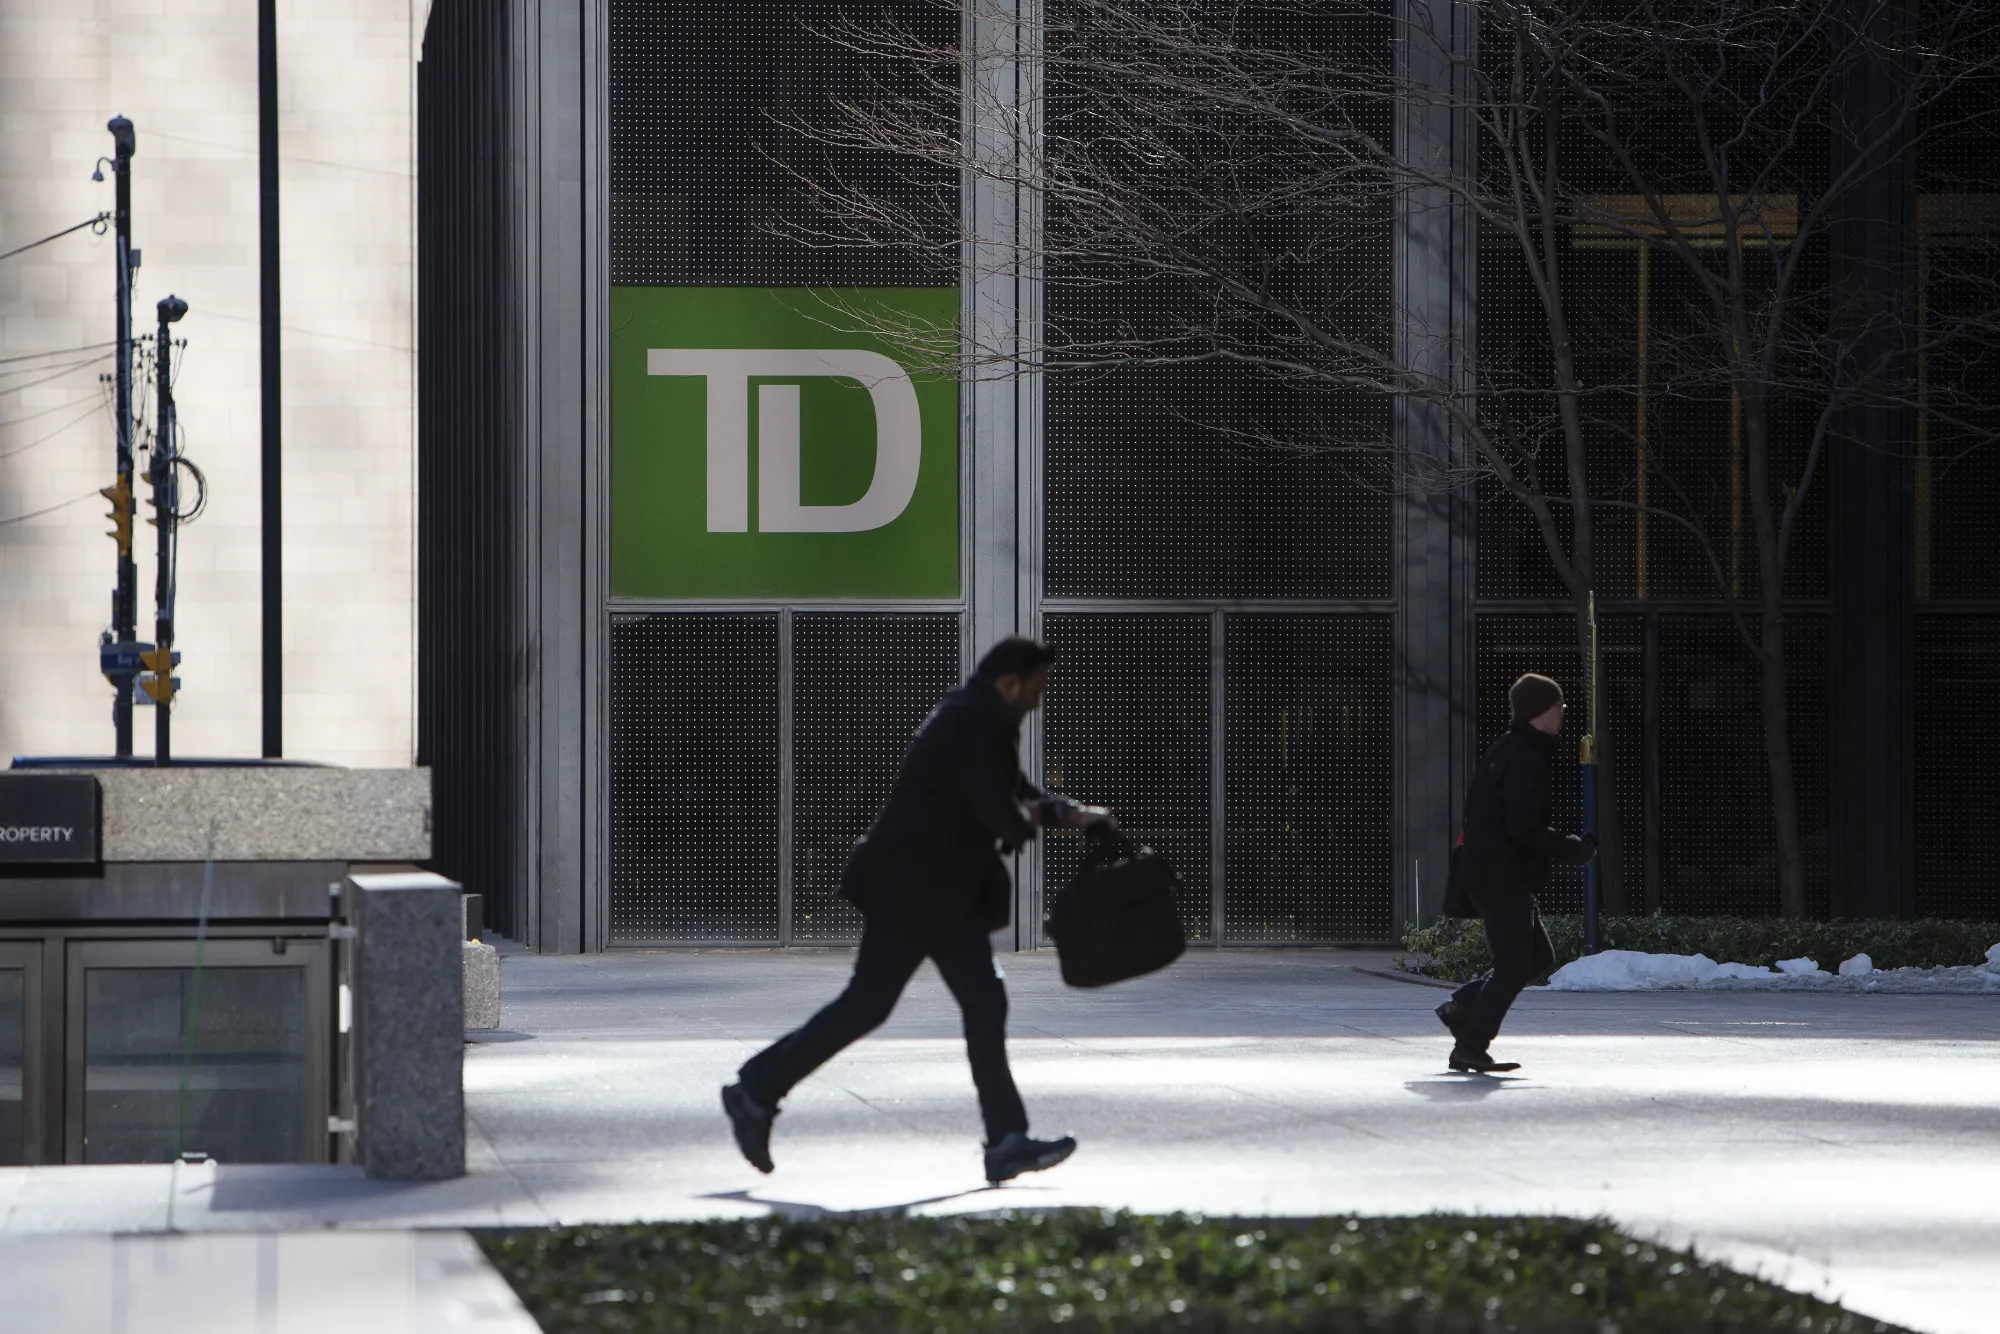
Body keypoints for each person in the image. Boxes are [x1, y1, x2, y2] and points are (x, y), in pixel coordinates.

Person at [721, 636, 1113, 1185]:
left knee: (977, 1002)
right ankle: (755, 1089)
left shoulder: (979, 717)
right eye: (1037, 689)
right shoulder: (973, 721)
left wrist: (1071, 812)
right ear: (1011, 683)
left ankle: (1006, 1141)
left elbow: (1012, 790)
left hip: (941, 893)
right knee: (871, 1005)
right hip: (914, 892)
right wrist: (1056, 819)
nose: (1038, 701)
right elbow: (996, 806)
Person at [1435, 672, 1597, 1073]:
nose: (1562, 712)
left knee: (1537, 955)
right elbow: (1523, 826)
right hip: (1500, 875)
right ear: (1540, 710)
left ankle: (1463, 1008)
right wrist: (1573, 848)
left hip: (1492, 872)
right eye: (1558, 705)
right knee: (1513, 965)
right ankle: (1470, 1045)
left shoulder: (1508, 748)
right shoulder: (1526, 756)